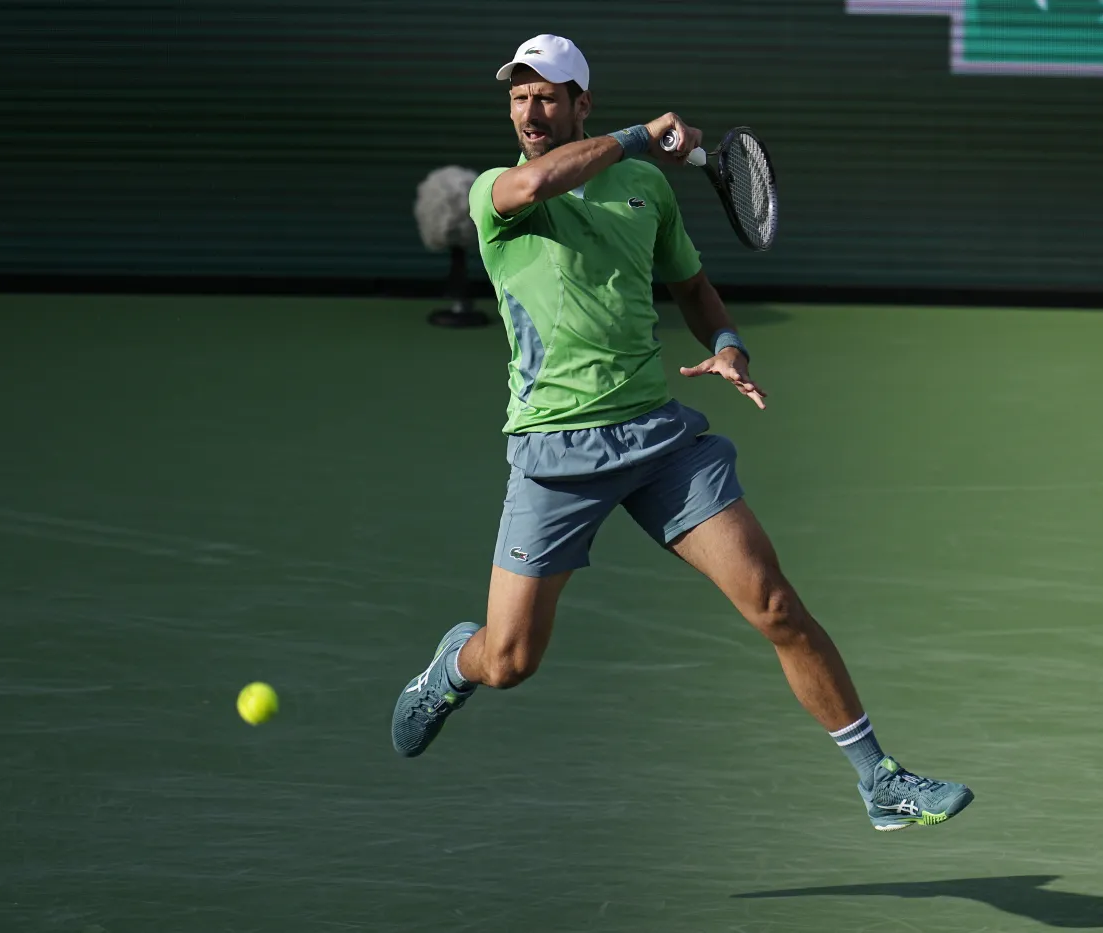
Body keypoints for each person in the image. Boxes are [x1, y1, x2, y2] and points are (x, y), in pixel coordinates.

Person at [390, 34, 974, 832]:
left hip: (659, 441)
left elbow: (694, 288)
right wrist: (640, 134)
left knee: (774, 602)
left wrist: (728, 344)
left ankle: (880, 779)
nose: (530, 108)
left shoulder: (645, 191)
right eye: (519, 95)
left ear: (579, 103)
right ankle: (455, 664)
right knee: (510, 661)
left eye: (548, 94)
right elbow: (536, 181)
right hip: (555, 452)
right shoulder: (502, 188)